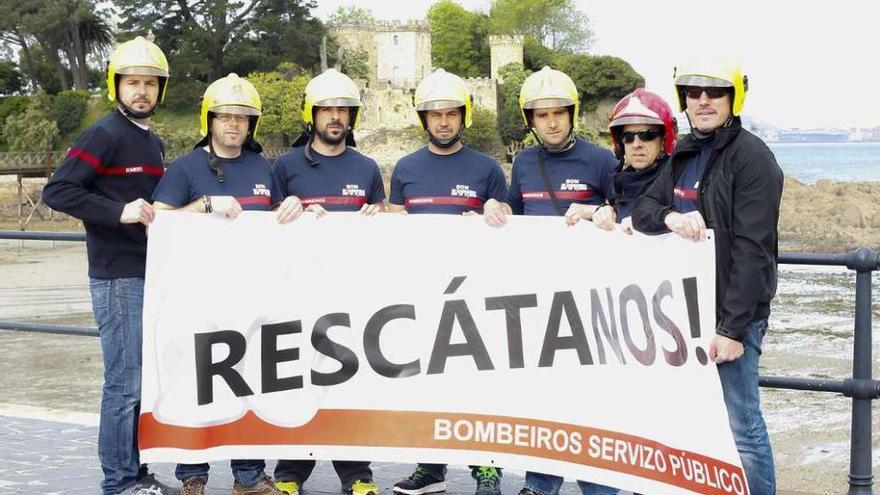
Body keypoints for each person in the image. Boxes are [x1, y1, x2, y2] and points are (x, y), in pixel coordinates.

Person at [631, 60, 782, 495]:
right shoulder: (685, 152)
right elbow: (644, 211)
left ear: (734, 98)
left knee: (742, 428)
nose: (702, 100)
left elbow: (754, 251)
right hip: (682, 316)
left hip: (731, 318)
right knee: (689, 424)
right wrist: (670, 216)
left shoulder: (753, 158)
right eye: (693, 92)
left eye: (714, 92)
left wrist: (733, 329)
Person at [42, 36, 178, 495]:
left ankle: (136, 470)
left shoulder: (150, 141)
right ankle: (119, 481)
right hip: (117, 277)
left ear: (160, 90)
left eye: (149, 84)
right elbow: (58, 191)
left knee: (143, 383)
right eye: (132, 82)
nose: (141, 91)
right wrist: (115, 212)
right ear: (115, 86)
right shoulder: (104, 133)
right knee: (124, 384)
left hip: (148, 274)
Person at [151, 73, 286, 495]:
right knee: (196, 384)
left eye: (242, 118)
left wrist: (298, 208)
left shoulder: (262, 167)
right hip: (196, 296)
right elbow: (160, 222)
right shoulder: (186, 168)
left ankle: (248, 477)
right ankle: (193, 475)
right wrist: (206, 205)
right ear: (209, 120)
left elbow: (279, 217)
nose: (233, 125)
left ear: (252, 126)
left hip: (252, 296)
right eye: (225, 117)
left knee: (248, 384)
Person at [389, 68, 507, 495]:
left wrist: (498, 211)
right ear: (424, 119)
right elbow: (396, 227)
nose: (443, 121)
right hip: (420, 294)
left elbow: (511, 229)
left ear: (464, 116)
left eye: (451, 113)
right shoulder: (404, 169)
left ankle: (487, 468)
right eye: (434, 114)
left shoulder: (488, 169)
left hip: (475, 295)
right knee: (427, 388)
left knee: (478, 387)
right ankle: (431, 468)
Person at [271, 69, 383, 495]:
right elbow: (265, 226)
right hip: (297, 291)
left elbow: (385, 229)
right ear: (311, 115)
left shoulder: (367, 167)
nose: (336, 117)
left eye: (343, 110)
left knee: (348, 382)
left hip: (351, 294)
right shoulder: (285, 166)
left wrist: (381, 216)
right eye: (327, 110)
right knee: (298, 380)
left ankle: (357, 473)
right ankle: (289, 472)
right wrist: (290, 207)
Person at [507, 66, 618, 495]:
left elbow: (626, 211)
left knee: (593, 403)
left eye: (558, 112)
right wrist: (490, 215)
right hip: (539, 300)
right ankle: (539, 484)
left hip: (592, 301)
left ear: (572, 113)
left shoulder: (601, 159)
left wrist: (605, 211)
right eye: (541, 114)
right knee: (544, 401)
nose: (551, 122)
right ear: (530, 120)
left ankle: (600, 488)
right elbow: (514, 216)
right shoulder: (523, 162)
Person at [592, 88, 677, 233]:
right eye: (628, 137)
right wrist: (604, 210)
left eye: (647, 135)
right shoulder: (619, 183)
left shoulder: (677, 181)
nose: (636, 144)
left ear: (664, 139)